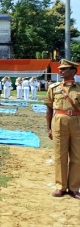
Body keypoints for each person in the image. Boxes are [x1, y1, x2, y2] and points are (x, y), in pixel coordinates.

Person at [44, 59, 80, 199]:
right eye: (60, 69)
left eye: (64, 69)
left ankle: (74, 188)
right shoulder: (54, 88)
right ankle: (60, 186)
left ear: (73, 71)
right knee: (60, 156)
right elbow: (48, 109)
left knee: (77, 156)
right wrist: (48, 128)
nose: (61, 71)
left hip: (77, 123)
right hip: (59, 122)